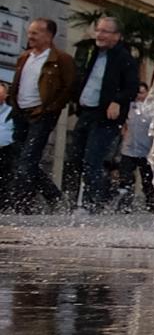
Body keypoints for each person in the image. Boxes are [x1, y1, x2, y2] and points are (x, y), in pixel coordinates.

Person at [65, 14, 142, 211]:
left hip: (106, 117)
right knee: (74, 158)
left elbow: (132, 87)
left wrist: (117, 101)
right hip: (86, 112)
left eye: (105, 31)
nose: (99, 35)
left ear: (117, 36)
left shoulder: (124, 58)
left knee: (93, 160)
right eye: (98, 30)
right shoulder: (91, 53)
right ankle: (75, 200)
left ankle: (94, 203)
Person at [4, 18, 76, 210]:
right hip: (21, 113)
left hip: (42, 115)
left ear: (48, 35)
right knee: (21, 158)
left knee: (28, 158)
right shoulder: (24, 57)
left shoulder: (61, 59)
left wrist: (52, 108)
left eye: (35, 33)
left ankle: (21, 204)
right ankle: (54, 196)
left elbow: (69, 87)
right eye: (30, 32)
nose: (30, 36)